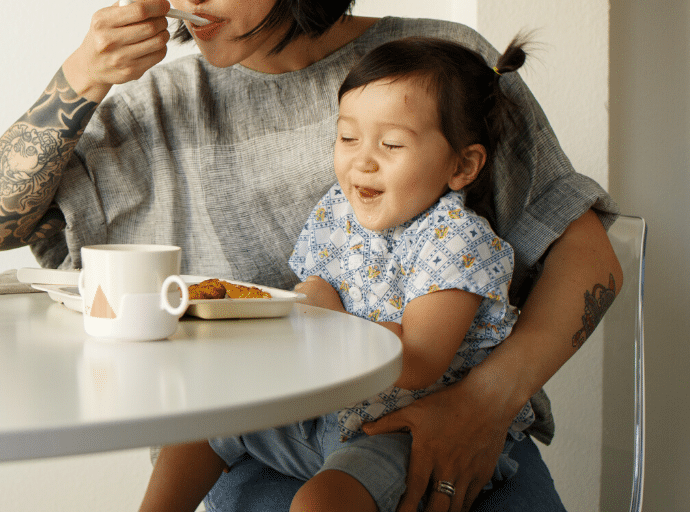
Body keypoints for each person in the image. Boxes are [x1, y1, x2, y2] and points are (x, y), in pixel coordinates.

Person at [0, 0, 622, 510]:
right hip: (257, 447)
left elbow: (589, 259)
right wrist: (80, 78)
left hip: (454, 438)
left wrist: (483, 405)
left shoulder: (434, 69)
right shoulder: (155, 107)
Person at [139, 36, 538, 512]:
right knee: (202, 418)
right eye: (348, 138)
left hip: (402, 428)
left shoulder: (457, 240)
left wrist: (320, 323)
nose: (362, 159)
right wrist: (293, 312)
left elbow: (417, 360)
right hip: (323, 410)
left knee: (321, 501)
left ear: (462, 165)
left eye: (391, 144)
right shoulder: (338, 211)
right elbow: (315, 287)